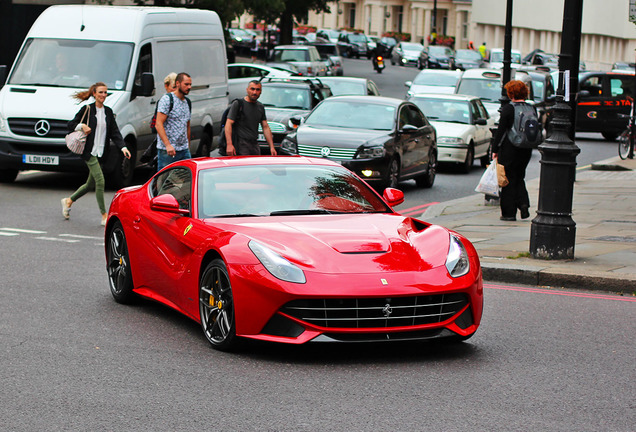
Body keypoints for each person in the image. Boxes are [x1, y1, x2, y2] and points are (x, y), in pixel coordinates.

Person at [61, 82, 131, 226]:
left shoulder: (108, 112)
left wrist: (123, 147)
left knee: (89, 184)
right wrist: (82, 126)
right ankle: (104, 214)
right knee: (100, 181)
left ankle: (69, 201)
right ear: (94, 93)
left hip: (101, 152)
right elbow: (70, 124)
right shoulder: (87, 109)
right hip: (89, 152)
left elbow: (115, 132)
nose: (103, 95)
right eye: (100, 92)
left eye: (105, 93)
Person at [492, 80, 533, 221]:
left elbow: (501, 130)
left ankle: (509, 213)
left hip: (510, 148)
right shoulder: (531, 108)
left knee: (508, 179)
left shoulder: (509, 109)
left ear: (510, 93)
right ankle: (523, 203)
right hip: (526, 148)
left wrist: (495, 149)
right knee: (519, 176)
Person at [224, 80, 276, 156]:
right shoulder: (238, 104)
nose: (254, 92)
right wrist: (229, 144)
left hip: (254, 144)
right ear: (247, 89)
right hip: (240, 144)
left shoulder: (260, 107)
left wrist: (271, 147)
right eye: (252, 89)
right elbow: (228, 123)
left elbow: (265, 127)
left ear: (261, 91)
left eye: (257, 90)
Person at [155, 72, 192, 171]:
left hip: (183, 149)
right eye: (186, 84)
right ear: (178, 84)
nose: (189, 87)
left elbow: (187, 125)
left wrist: (187, 145)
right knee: (165, 180)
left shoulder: (187, 102)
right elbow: (158, 124)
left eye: (190, 84)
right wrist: (168, 145)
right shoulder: (167, 100)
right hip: (168, 150)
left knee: (187, 179)